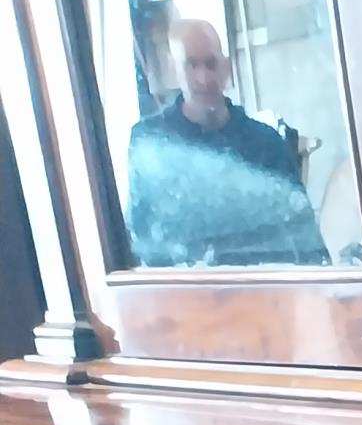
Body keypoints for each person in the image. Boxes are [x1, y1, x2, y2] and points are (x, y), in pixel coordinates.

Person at [125, 18, 328, 268]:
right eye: (191, 65)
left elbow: (304, 234)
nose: (202, 77)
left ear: (226, 68)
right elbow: (139, 237)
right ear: (174, 69)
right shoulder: (150, 143)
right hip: (179, 299)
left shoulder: (266, 143)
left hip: (262, 295)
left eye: (210, 64)